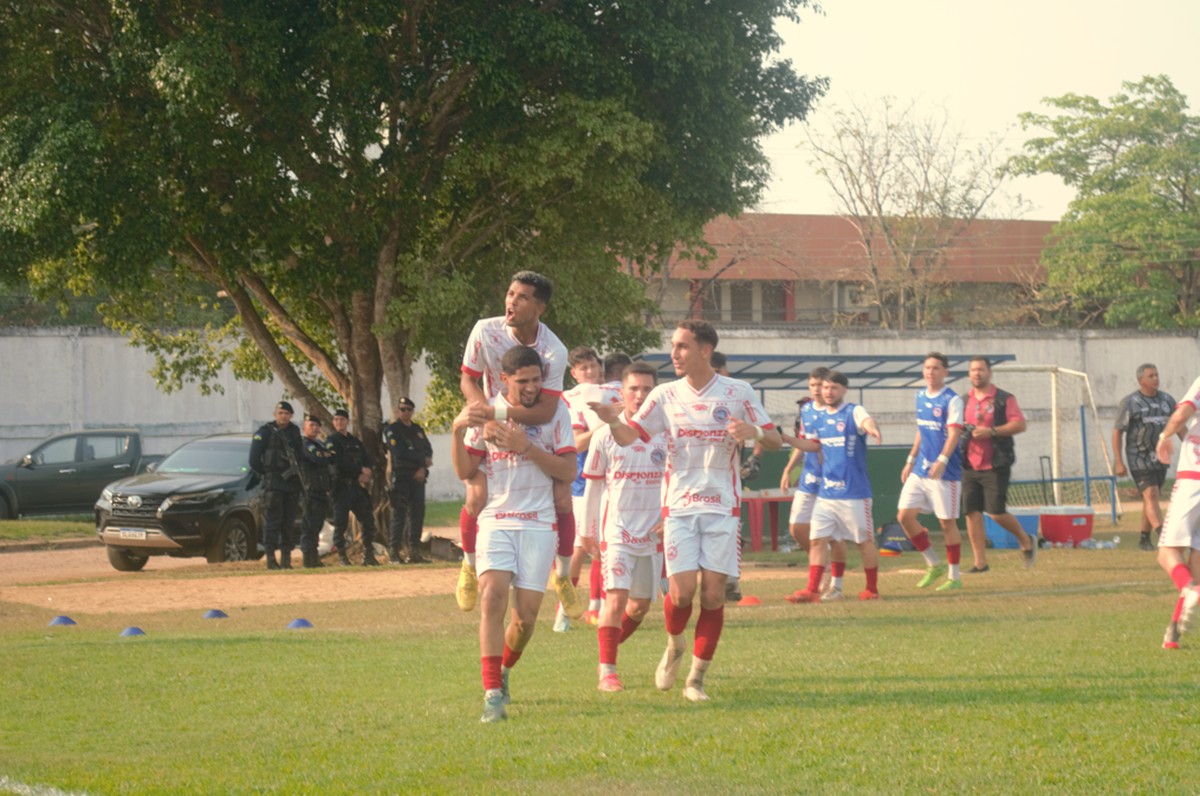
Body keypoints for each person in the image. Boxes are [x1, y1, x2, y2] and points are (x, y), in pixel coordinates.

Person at [591, 320, 781, 702]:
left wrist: (755, 434)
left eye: (682, 346)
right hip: (677, 509)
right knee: (681, 595)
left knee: (712, 596)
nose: (674, 353)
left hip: (722, 508)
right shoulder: (664, 395)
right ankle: (675, 644)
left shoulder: (738, 392)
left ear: (705, 350)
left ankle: (695, 680)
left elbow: (775, 438)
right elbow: (630, 436)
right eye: (673, 346)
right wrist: (613, 421)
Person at [451, 345, 577, 722]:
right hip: (497, 520)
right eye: (523, 381)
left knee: (525, 621)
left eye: (537, 379)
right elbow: (464, 471)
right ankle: (491, 695)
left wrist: (527, 447)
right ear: (503, 379)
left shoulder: (556, 414)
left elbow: (568, 472)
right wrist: (458, 431)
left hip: (539, 524)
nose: (532, 387)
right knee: (492, 599)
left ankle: (504, 671)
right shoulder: (484, 412)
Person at [458, 271, 579, 618]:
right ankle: (468, 565)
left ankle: (563, 575)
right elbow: (468, 377)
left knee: (562, 498)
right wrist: (488, 416)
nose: (511, 301)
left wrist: (501, 418)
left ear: (539, 307)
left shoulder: (554, 350)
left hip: (530, 420)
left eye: (522, 297)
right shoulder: (485, 330)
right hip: (489, 417)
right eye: (510, 293)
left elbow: (545, 410)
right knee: (476, 496)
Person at [580, 362, 666, 691]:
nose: (641, 395)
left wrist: (668, 516)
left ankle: (607, 650)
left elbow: (675, 479)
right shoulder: (604, 436)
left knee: (640, 606)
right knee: (614, 601)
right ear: (623, 393)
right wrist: (587, 531)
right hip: (616, 530)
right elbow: (594, 486)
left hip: (653, 533)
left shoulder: (665, 434)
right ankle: (607, 672)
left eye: (647, 390)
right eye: (634, 389)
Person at [786, 371, 883, 602]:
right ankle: (812, 590)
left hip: (854, 493)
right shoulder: (818, 419)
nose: (828, 392)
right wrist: (786, 439)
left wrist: (871, 427)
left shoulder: (853, 411)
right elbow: (812, 445)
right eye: (826, 387)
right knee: (817, 540)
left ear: (844, 390)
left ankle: (871, 589)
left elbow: (866, 420)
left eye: (834, 388)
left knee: (863, 542)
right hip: (827, 493)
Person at [557, 346, 621, 632]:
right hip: (584, 482)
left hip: (617, 479)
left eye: (593, 366)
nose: (591, 372)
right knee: (579, 549)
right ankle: (564, 610)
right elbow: (575, 442)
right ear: (574, 373)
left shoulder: (614, 392)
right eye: (583, 368)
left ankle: (602, 608)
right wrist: (606, 425)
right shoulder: (570, 400)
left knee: (607, 546)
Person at [897, 352, 966, 591]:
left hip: (945, 472)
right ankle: (933, 564)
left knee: (947, 523)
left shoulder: (953, 400)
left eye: (936, 368)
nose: (930, 372)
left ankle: (954, 576)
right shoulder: (919, 396)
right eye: (927, 367)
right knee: (904, 516)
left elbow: (955, 433)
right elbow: (921, 430)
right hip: (920, 469)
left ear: (945, 372)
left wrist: (943, 459)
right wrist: (910, 459)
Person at [960, 357, 1036, 572]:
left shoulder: (1004, 398)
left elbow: (1019, 424)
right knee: (972, 512)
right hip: (968, 464)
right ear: (968, 374)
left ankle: (1025, 539)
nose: (977, 374)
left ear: (989, 373)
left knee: (995, 512)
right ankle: (980, 563)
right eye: (973, 370)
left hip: (995, 463)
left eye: (981, 370)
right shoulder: (963, 400)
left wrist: (991, 431)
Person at [780, 367, 849, 601]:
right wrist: (789, 469)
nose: (817, 390)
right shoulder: (807, 410)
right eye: (812, 386)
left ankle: (833, 579)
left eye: (821, 385)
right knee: (797, 527)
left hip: (832, 481)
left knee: (833, 535)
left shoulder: (838, 411)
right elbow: (804, 442)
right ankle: (824, 565)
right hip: (810, 477)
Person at [1154, 381, 1200, 650]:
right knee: (1195, 565)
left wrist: (1164, 437)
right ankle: (1173, 634)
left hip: (1193, 482)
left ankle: (1191, 591)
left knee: (1167, 553)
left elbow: (1182, 413)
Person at [1113, 364, 1177, 551]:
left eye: (1157, 375)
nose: (1155, 378)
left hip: (1160, 457)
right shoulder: (1130, 402)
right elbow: (1117, 432)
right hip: (1138, 457)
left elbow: (1178, 425)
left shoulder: (1167, 400)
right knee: (1151, 494)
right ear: (1141, 380)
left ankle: (1144, 538)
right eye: (1151, 376)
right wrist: (1119, 461)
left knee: (1151, 497)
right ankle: (1164, 536)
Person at [249, 401, 304, 570]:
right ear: (275, 414)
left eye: (287, 414)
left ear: (291, 416)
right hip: (273, 484)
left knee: (288, 522)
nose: (283, 416)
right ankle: (271, 559)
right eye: (280, 413)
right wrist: (268, 473)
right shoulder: (264, 432)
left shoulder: (294, 432)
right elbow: (254, 460)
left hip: (291, 484)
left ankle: (286, 559)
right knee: (272, 522)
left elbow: (300, 456)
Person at [327, 409, 380, 567]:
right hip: (342, 487)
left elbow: (366, 459)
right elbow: (338, 462)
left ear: (347, 421)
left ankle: (368, 554)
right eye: (336, 420)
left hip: (356, 487)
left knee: (368, 520)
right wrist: (359, 470)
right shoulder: (332, 441)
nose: (339, 422)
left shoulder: (355, 441)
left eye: (342, 419)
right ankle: (342, 556)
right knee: (341, 523)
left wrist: (367, 472)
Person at [384, 397, 433, 564]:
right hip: (402, 476)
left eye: (408, 409)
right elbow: (399, 452)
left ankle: (414, 551)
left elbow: (428, 450)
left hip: (419, 477)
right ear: (398, 411)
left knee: (417, 514)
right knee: (399, 514)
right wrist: (421, 459)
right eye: (402, 409)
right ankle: (394, 551)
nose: (405, 412)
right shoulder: (393, 429)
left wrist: (421, 468)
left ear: (412, 411)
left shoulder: (417, 429)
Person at [298, 413, 337, 568]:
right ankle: (308, 559)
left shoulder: (320, 444)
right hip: (310, 490)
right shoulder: (304, 444)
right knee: (309, 525)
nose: (314, 428)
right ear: (304, 428)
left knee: (317, 524)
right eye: (310, 425)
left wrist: (325, 454)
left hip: (321, 490)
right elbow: (318, 458)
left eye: (316, 425)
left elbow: (332, 457)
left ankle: (314, 558)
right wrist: (324, 455)